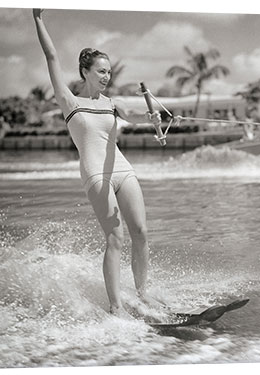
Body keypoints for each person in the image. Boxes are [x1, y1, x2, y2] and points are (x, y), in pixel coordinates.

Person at [33, 9, 162, 317]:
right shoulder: (70, 102)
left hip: (121, 169)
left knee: (141, 232)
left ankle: (143, 295)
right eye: (101, 71)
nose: (107, 76)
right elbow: (51, 57)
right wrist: (37, 18)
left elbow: (136, 115)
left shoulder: (112, 104)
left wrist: (152, 118)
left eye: (109, 72)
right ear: (85, 71)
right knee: (115, 237)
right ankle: (116, 305)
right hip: (95, 175)